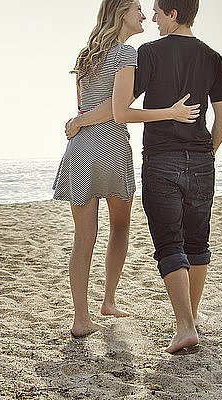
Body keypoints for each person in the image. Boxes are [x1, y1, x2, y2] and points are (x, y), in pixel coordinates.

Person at [69, 0, 222, 352]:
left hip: (129, 156)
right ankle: (189, 316)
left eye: (156, 11)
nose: (151, 16)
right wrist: (207, 152)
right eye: (143, 11)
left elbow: (107, 105)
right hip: (173, 157)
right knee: (194, 241)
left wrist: (80, 120)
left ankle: (178, 324)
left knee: (162, 243)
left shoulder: (133, 54)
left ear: (173, 14)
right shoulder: (209, 56)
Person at [52, 0, 200, 339]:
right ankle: (108, 299)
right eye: (136, 9)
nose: (144, 15)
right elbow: (118, 109)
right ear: (121, 14)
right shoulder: (126, 54)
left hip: (79, 150)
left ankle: (81, 318)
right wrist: (171, 112)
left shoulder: (84, 55)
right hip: (110, 148)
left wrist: (78, 122)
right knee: (120, 225)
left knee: (83, 237)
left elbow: (83, 106)